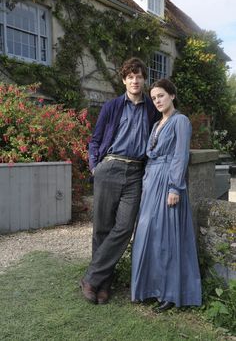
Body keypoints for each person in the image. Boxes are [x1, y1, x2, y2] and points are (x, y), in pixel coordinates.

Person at [80, 57, 160, 304]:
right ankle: (103, 285)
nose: (135, 81)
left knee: (124, 228)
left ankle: (91, 277)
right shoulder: (112, 106)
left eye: (139, 76)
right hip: (110, 167)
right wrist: (95, 167)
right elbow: (95, 140)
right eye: (130, 77)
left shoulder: (151, 108)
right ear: (124, 80)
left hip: (136, 172)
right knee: (102, 229)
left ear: (144, 80)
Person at [131, 79, 202, 312]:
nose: (157, 101)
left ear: (172, 95)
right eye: (153, 98)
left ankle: (170, 293)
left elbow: (180, 156)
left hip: (168, 183)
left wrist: (174, 187)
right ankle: (149, 288)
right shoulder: (156, 124)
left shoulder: (180, 121)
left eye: (161, 95)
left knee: (167, 238)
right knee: (147, 234)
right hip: (151, 182)